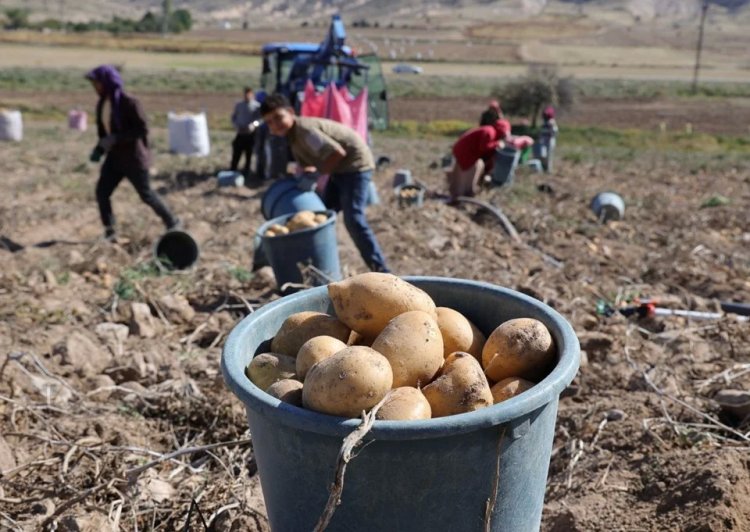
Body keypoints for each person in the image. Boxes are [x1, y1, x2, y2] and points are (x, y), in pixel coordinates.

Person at [259, 93, 389, 273]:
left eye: (278, 117)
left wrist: (318, 173)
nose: (275, 124)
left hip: (355, 166)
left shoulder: (304, 130)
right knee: (322, 213)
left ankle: (381, 270)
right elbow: (313, 160)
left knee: (354, 220)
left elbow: (337, 153)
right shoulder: (292, 136)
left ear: (290, 112)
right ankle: (317, 261)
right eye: (269, 122)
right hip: (339, 169)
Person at [86, 65, 179, 241]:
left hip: (133, 159)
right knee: (102, 193)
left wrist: (117, 138)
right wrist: (100, 148)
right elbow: (105, 132)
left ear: (106, 82)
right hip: (114, 159)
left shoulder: (129, 102)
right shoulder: (102, 104)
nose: (95, 87)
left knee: (146, 195)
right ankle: (110, 232)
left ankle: (173, 222)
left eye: (96, 83)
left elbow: (142, 129)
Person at [446, 119, 510, 201]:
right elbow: (484, 147)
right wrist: (497, 144)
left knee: (476, 166)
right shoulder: (490, 131)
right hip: (465, 152)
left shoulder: (490, 130)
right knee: (466, 173)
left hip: (464, 150)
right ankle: (461, 195)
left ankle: (461, 193)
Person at [231, 86, 262, 177]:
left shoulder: (257, 106)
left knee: (249, 154)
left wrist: (253, 125)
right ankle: (233, 170)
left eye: (249, 94)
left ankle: (247, 171)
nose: (247, 96)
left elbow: (260, 119)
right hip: (240, 133)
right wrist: (236, 125)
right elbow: (234, 117)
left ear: (252, 95)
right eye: (245, 94)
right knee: (236, 152)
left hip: (250, 134)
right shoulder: (239, 105)